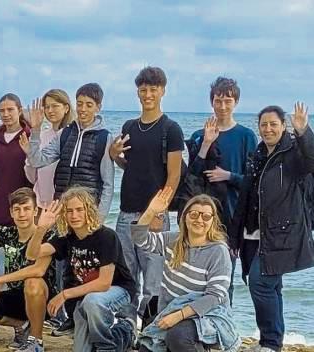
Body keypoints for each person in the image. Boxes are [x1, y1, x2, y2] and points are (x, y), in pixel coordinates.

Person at [230, 103, 314, 352]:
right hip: (254, 233)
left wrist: (303, 131)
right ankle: (274, 340)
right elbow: (246, 196)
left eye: (273, 124)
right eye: (264, 125)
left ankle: (269, 342)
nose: (268, 129)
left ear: (283, 126)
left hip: (281, 233)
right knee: (271, 285)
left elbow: (312, 161)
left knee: (260, 282)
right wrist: (234, 238)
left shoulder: (292, 155)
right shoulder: (257, 156)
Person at [110, 67, 184, 321]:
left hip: (154, 216)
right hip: (126, 213)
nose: (148, 94)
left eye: (153, 89)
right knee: (127, 278)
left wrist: (158, 212)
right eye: (144, 90)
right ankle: (127, 329)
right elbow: (130, 166)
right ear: (137, 92)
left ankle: (150, 334)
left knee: (153, 282)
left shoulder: (170, 129)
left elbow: (174, 175)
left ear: (163, 91)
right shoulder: (129, 126)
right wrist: (114, 156)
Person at [25, 187, 137, 352]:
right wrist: (41, 229)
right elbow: (32, 254)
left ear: (89, 210)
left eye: (79, 210)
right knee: (81, 349)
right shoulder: (66, 237)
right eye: (69, 211)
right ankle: (125, 332)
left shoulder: (106, 236)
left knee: (93, 302)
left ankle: (106, 347)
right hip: (82, 299)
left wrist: (64, 294)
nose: (74, 215)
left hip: (118, 290)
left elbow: (104, 284)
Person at [133, 189, 240, 352]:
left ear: (213, 221)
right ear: (185, 216)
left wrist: (178, 316)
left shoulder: (218, 251)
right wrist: (151, 211)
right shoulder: (172, 240)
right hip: (169, 311)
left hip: (205, 315)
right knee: (146, 348)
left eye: (206, 216)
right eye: (194, 214)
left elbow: (214, 296)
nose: (199, 220)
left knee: (177, 336)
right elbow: (139, 239)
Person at [0, 174, 58, 351]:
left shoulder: (46, 234)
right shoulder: (9, 233)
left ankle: (36, 341)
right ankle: (20, 324)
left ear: (35, 211)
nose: (22, 214)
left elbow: (38, 270)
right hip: (14, 293)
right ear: (11, 212)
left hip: (40, 296)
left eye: (27, 209)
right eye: (17, 209)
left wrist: (1, 279)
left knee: (32, 283)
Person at [188, 77, 257, 302]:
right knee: (196, 275)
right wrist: (206, 144)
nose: (223, 106)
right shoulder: (200, 134)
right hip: (200, 215)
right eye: (218, 101)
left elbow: (254, 178)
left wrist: (228, 176)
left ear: (235, 102)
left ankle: (223, 325)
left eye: (228, 100)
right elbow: (191, 175)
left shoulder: (246, 136)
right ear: (212, 103)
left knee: (224, 276)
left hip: (231, 216)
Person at [25, 83, 114, 218]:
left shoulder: (104, 137)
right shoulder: (64, 133)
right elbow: (37, 161)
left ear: (98, 108)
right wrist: (36, 130)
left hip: (87, 210)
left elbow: (108, 183)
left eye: (89, 105)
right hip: (62, 207)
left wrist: (99, 218)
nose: (83, 109)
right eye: (79, 104)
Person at [0, 93, 35, 279]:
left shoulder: (30, 135)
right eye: (2, 110)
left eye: (10, 109)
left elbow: (35, 174)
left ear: (19, 110)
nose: (6, 114)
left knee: (20, 264)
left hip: (20, 210)